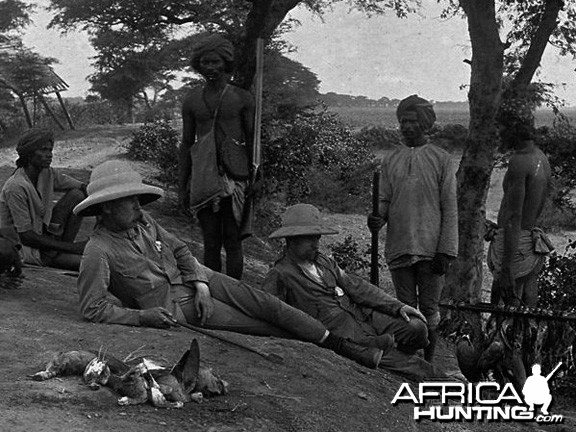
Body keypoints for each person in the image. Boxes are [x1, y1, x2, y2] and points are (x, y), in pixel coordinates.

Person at [74, 160, 383, 370]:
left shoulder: (145, 222)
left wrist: (201, 283)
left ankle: (349, 344)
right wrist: (143, 317)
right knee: (264, 326)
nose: (138, 207)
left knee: (266, 303)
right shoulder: (97, 251)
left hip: (199, 281)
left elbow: (180, 249)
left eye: (137, 199)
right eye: (130, 201)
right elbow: (93, 309)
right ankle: (347, 349)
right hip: (178, 306)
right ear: (107, 207)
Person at [263, 203, 440, 380]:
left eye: (317, 238)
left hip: (365, 317)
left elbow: (356, 287)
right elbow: (273, 313)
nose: (316, 244)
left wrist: (398, 306)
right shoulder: (281, 274)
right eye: (309, 239)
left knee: (416, 327)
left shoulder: (323, 262)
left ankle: (397, 349)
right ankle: (450, 384)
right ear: (292, 240)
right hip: (348, 338)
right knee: (419, 369)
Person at [367, 95, 458, 363]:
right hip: (399, 244)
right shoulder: (391, 160)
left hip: (431, 248)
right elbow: (383, 199)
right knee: (405, 307)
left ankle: (428, 362)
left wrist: (446, 251)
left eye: (413, 121)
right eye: (403, 121)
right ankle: (410, 359)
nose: (406, 126)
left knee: (429, 308)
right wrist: (377, 218)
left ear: (425, 124)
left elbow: (450, 208)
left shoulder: (441, 159)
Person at [179, 34, 254, 280]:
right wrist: (183, 185)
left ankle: (236, 293)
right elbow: (187, 144)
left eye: (215, 62)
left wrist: (258, 177)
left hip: (235, 177)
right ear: (198, 65)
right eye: (205, 62)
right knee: (210, 242)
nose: (210, 67)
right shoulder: (191, 100)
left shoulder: (242, 98)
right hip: (203, 177)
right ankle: (214, 293)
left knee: (233, 241)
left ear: (226, 63)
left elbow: (254, 142)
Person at [487, 110, 553, 307]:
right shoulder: (541, 158)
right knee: (527, 308)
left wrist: (506, 268)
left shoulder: (519, 162)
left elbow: (514, 217)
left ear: (512, 130)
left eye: (502, 129)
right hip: (530, 244)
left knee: (504, 309)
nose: (499, 135)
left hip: (515, 245)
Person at [0, 128, 87, 270]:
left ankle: (61, 251)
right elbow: (26, 236)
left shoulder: (46, 173)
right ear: (28, 154)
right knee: (94, 264)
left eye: (50, 150)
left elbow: (80, 187)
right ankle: (62, 252)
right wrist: (73, 248)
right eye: (43, 150)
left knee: (77, 195)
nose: (49, 155)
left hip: (46, 237)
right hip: (29, 249)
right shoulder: (16, 187)